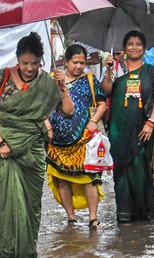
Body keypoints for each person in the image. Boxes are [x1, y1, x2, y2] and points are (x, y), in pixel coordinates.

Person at [0, 32, 74, 258]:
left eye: (34, 63)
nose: (29, 68)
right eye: (24, 63)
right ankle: (4, 252)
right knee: (6, 202)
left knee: (31, 205)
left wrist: (64, 87)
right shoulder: (3, 77)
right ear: (17, 60)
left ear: (41, 61)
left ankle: (25, 253)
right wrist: (0, 141)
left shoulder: (49, 84)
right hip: (6, 149)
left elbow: (69, 112)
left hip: (33, 152)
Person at [103, 30, 154, 224]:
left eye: (138, 44)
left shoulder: (152, 72)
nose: (134, 47)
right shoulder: (115, 68)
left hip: (143, 130)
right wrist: (108, 71)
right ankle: (124, 214)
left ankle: (144, 215)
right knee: (121, 172)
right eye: (130, 44)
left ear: (144, 48)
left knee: (141, 170)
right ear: (124, 48)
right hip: (118, 130)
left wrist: (151, 122)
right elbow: (105, 91)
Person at [46, 44, 107, 230]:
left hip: (83, 139)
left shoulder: (89, 80)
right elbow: (42, 106)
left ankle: (93, 218)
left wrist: (94, 120)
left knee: (89, 179)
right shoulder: (52, 80)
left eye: (82, 62)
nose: (79, 66)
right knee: (62, 179)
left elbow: (102, 104)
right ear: (66, 61)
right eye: (75, 62)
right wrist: (47, 126)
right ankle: (71, 217)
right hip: (57, 140)